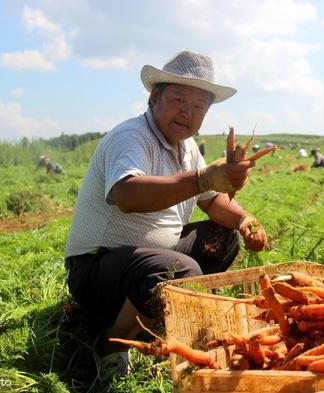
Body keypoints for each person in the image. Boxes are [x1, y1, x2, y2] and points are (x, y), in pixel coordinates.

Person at [63, 50, 267, 380]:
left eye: (199, 106)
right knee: (179, 269)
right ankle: (113, 343)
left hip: (149, 259)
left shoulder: (187, 148)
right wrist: (201, 178)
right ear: (155, 97)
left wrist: (245, 220)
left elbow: (214, 202)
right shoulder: (131, 137)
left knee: (223, 237)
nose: (187, 112)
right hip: (96, 268)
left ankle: (162, 310)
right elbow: (127, 195)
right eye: (178, 99)